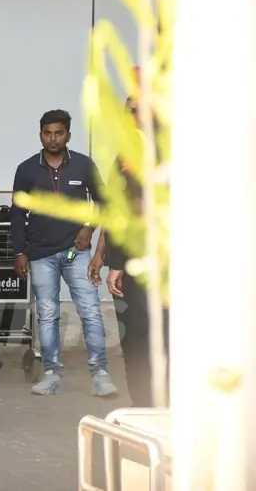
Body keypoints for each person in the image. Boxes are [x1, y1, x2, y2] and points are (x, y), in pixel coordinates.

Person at [10, 109, 118, 397]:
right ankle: (51, 374)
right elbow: (18, 213)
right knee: (47, 315)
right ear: (40, 135)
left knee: (91, 312)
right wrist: (19, 251)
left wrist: (89, 229)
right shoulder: (27, 169)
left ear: (68, 135)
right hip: (40, 254)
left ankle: (100, 374)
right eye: (47, 133)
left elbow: (104, 202)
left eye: (59, 133)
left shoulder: (83, 165)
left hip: (76, 253)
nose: (53, 138)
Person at [104, 86, 169, 407]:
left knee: (163, 335)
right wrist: (114, 261)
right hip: (134, 261)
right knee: (136, 336)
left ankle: (163, 405)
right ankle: (144, 406)